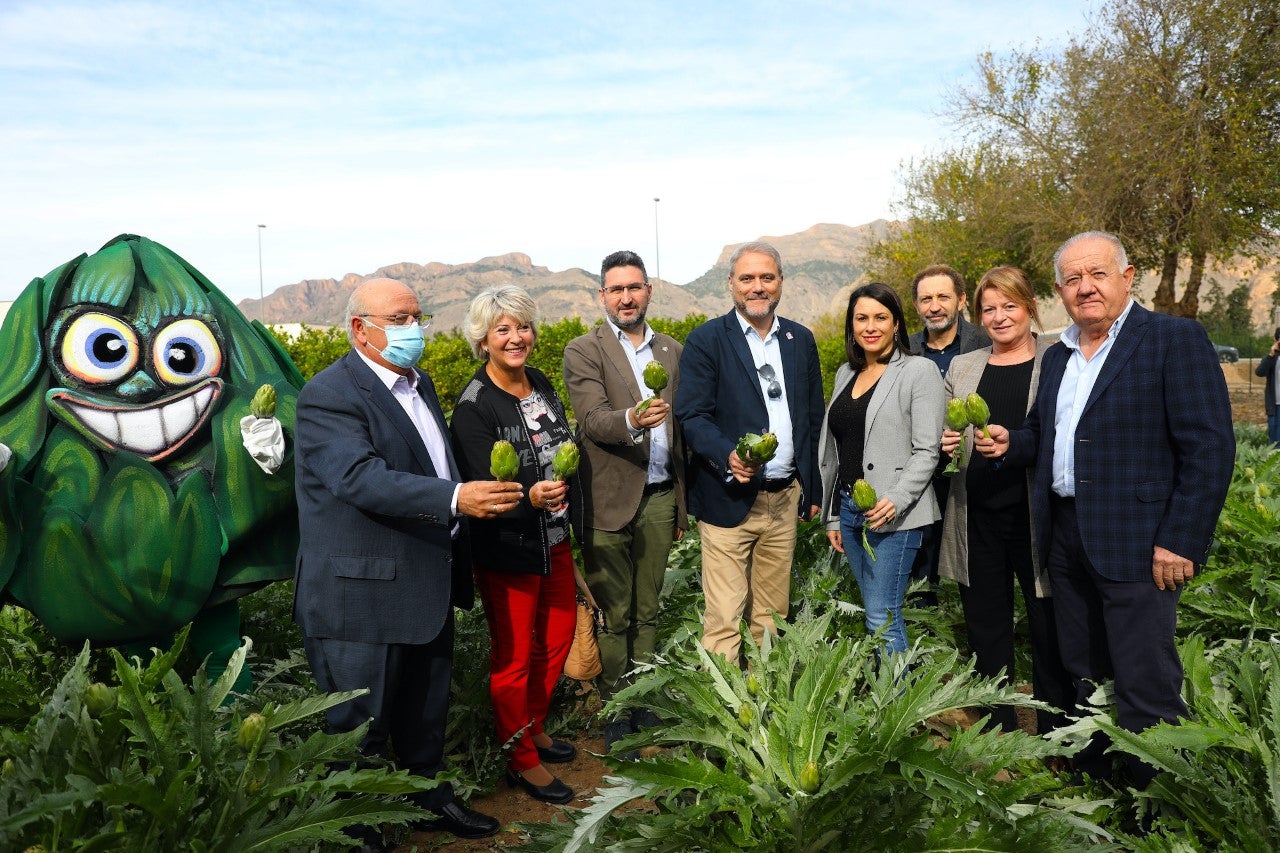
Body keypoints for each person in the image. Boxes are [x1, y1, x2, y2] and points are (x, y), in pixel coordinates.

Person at [976, 231, 1234, 785]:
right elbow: (1045, 433)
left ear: (1126, 276)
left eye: (1097, 274)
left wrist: (1180, 539)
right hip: (1066, 535)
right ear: (1059, 291)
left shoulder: (1172, 339)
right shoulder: (1059, 355)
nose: (1085, 287)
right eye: (1073, 279)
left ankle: (1156, 799)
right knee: (1083, 668)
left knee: (1144, 675)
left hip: (1140, 539)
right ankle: (1096, 779)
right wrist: (1011, 442)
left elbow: (1209, 448)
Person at [294, 278, 515, 849]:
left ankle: (428, 799)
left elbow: (431, 460)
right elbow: (357, 477)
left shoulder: (420, 384)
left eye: (417, 316)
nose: (413, 329)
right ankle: (358, 829)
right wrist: (455, 498)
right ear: (359, 328)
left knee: (424, 713)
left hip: (423, 578)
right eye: (398, 319)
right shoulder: (329, 394)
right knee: (358, 730)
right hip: (360, 593)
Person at [450, 285, 580, 805]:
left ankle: (532, 724)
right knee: (514, 654)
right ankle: (520, 758)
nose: (515, 338)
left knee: (558, 636)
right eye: (502, 329)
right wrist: (529, 494)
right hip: (508, 545)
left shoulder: (539, 382)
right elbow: (484, 485)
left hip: (554, 537)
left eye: (522, 327)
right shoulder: (474, 406)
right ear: (482, 340)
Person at [937, 267, 1073, 733]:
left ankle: (1056, 730)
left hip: (1036, 515)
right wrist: (946, 444)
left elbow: (1061, 433)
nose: (999, 317)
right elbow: (947, 429)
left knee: (1047, 624)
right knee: (986, 626)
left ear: (1030, 306)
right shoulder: (963, 367)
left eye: (1009, 306)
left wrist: (1014, 443)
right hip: (975, 515)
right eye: (989, 309)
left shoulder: (1058, 359)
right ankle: (1000, 731)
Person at [675, 241, 824, 663]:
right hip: (728, 498)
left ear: (780, 282)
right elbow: (692, 415)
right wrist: (728, 455)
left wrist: (812, 488)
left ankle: (767, 692)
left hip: (784, 497)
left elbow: (812, 417)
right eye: (747, 278)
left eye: (766, 277)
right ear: (731, 284)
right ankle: (723, 701)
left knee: (772, 615)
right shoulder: (707, 340)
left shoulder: (800, 339)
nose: (757, 286)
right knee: (724, 618)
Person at [563, 250, 687, 755]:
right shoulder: (583, 350)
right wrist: (634, 419)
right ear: (602, 296)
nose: (626, 297)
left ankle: (645, 699)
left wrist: (683, 505)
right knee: (614, 612)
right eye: (616, 289)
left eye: (634, 287)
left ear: (648, 291)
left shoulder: (671, 350)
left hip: (660, 494)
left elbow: (684, 430)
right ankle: (617, 708)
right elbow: (593, 420)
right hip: (608, 500)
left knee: (649, 607)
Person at [819, 282, 944, 654]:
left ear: (896, 324)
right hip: (850, 510)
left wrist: (896, 499)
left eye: (880, 317)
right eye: (861, 318)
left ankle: (896, 693)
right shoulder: (846, 373)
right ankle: (890, 686)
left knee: (881, 616)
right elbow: (840, 450)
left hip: (892, 514)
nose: (870, 327)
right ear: (851, 325)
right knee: (875, 614)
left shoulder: (919, 371)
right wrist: (833, 516)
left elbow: (928, 451)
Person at [907, 264, 991, 598]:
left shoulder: (985, 341)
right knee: (922, 559)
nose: (934, 306)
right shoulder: (903, 349)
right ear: (916, 305)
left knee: (976, 561)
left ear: (961, 300)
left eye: (943, 297)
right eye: (926, 299)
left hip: (974, 470)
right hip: (921, 473)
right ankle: (926, 617)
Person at [1255, 328, 1280, 446]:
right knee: (1274, 443)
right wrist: (1271, 354)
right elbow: (1259, 372)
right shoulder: (1272, 358)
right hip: (1274, 407)